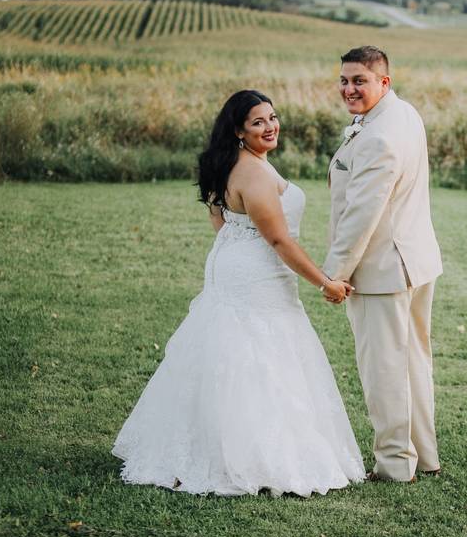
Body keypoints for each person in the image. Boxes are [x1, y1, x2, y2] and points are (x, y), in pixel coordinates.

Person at [112, 89, 365, 496]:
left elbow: (222, 219)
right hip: (258, 272)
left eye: (273, 117)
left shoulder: (232, 164)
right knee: (256, 354)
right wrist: (326, 282)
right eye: (258, 122)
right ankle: (247, 457)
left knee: (227, 347)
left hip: (236, 264)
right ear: (238, 131)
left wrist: (239, 245)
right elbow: (280, 242)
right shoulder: (254, 173)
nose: (270, 126)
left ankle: (201, 447)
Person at [323, 46, 443, 483]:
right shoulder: (403, 114)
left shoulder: (379, 135)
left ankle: (394, 464)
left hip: (383, 270)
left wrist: (334, 273)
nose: (349, 89)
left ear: (383, 82)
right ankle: (424, 455)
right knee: (411, 363)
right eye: (343, 80)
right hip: (415, 260)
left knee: (385, 371)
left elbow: (362, 214)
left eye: (359, 81)